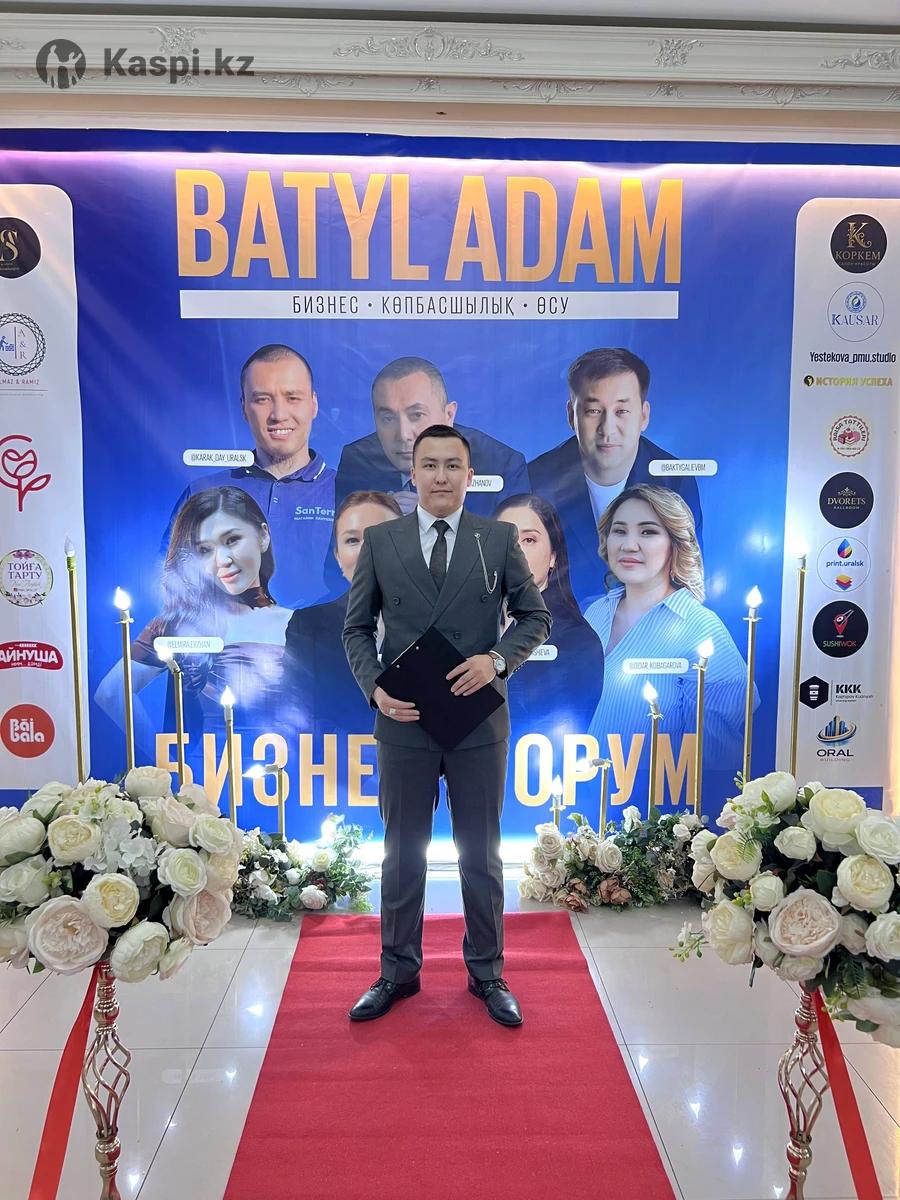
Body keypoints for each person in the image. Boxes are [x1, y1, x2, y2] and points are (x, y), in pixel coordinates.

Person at [343, 424, 550, 1027]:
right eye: (429, 465)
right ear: (412, 473)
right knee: (401, 855)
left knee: (481, 855)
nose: (440, 476)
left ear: (469, 476)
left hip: (475, 720)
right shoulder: (381, 541)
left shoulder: (497, 538)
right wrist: (375, 688)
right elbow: (356, 629)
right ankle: (397, 971)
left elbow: (534, 617)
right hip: (404, 719)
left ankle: (487, 972)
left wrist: (497, 660)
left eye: (452, 466)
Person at [96, 487, 295, 761]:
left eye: (232, 540)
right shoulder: (180, 621)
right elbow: (111, 693)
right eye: (204, 550)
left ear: (263, 536)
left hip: (289, 777)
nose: (222, 560)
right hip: (206, 780)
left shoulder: (301, 623)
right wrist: (163, 760)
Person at [583, 485, 752, 775]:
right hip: (578, 789)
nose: (629, 545)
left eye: (647, 532)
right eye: (619, 531)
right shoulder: (595, 612)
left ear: (675, 543)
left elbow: (716, 760)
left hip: (653, 799)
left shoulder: (701, 628)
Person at [163, 344, 335, 609]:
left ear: (313, 404)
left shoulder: (348, 493)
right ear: (244, 407)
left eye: (292, 397)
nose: (279, 415)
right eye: (262, 399)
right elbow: (174, 589)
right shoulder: (202, 492)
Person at [528, 348, 703, 607]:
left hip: (649, 626)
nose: (607, 429)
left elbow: (686, 583)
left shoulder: (675, 481)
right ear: (571, 416)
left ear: (643, 416)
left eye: (621, 411)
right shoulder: (534, 480)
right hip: (558, 626)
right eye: (593, 411)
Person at [335, 356, 531, 518]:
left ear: (449, 415)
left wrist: (436, 520)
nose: (403, 434)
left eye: (417, 415)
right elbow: (339, 548)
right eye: (388, 418)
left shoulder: (502, 465)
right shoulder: (358, 461)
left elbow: (517, 549)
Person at [284, 491, 403, 739]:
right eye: (352, 540)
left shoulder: (437, 621)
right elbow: (298, 719)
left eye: (381, 536)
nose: (367, 550)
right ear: (338, 556)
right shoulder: (308, 626)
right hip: (333, 759)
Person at [493, 494, 604, 737]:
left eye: (529, 540)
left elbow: (552, 734)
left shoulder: (576, 640)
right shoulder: (464, 625)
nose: (515, 551)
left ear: (553, 556)